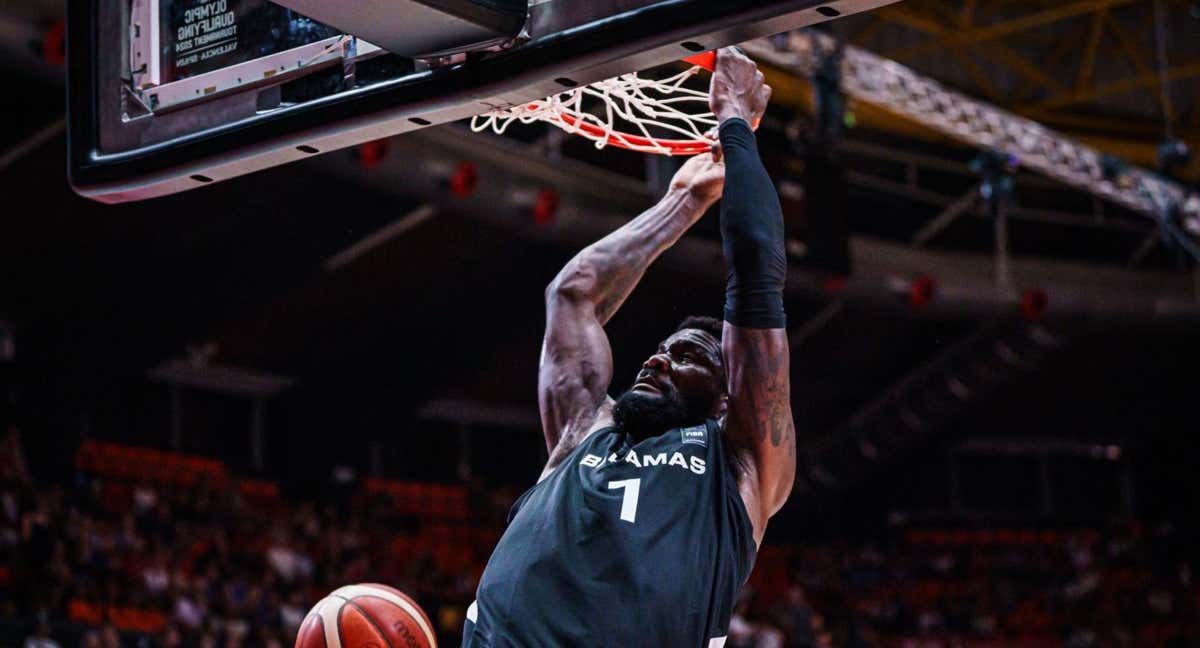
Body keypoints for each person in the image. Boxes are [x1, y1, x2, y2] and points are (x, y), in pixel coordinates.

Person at [464, 47, 795, 648]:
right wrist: (683, 201)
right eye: (663, 348)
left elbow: (756, 264)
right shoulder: (586, 429)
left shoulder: (741, 463)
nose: (658, 357)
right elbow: (573, 295)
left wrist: (735, 123)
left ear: (728, 398)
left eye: (691, 355)